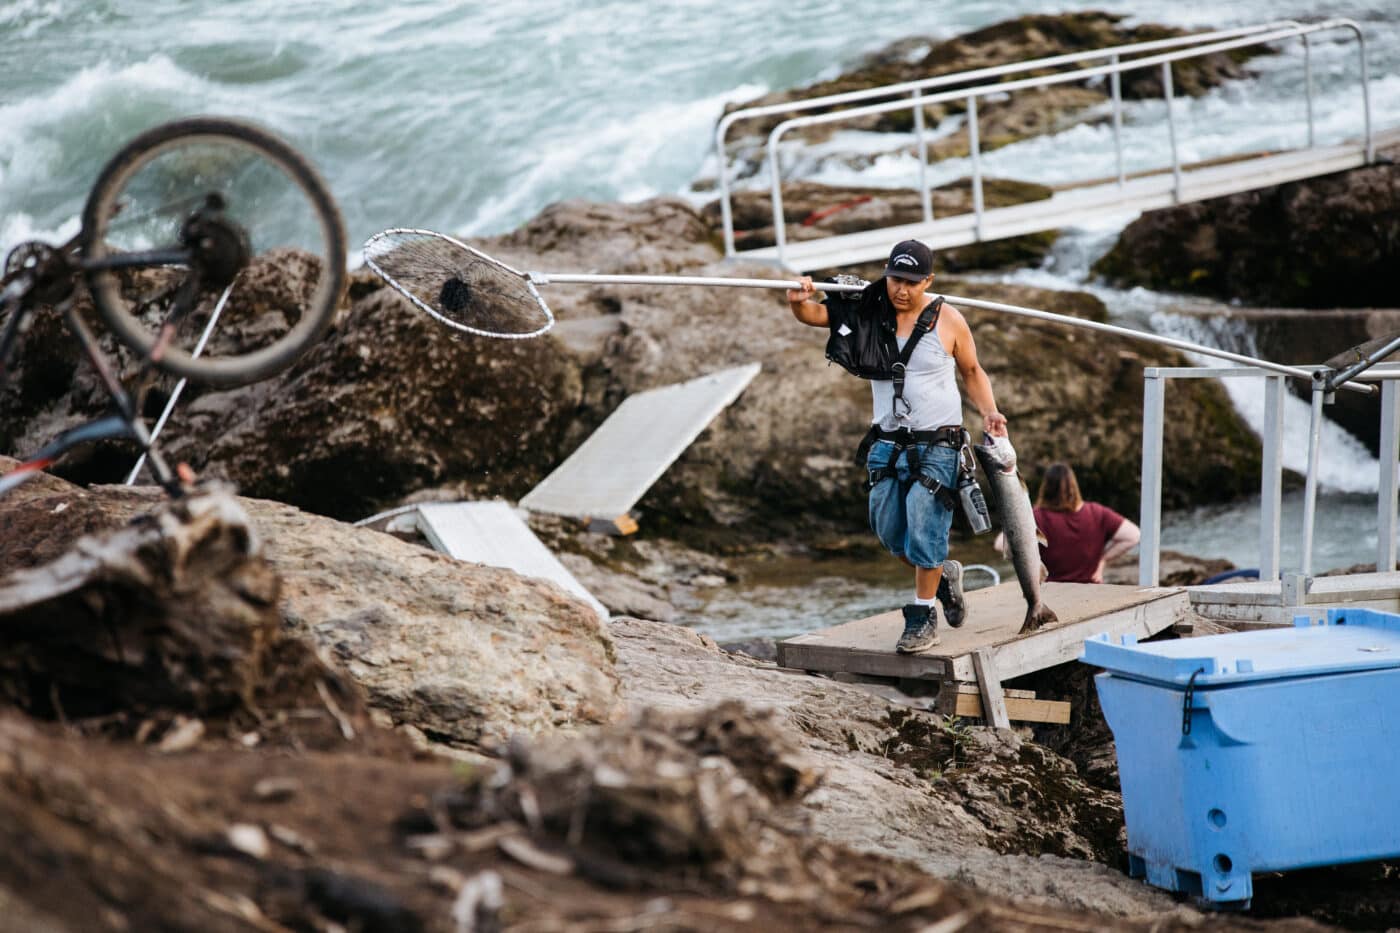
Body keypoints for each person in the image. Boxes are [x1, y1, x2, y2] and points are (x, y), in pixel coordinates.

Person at [786, 239, 1007, 653]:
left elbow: (972, 371)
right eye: (894, 279)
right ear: (885, 274)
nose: (901, 290)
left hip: (939, 442)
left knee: (925, 525)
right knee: (890, 534)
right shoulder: (867, 310)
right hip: (887, 442)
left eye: (911, 282)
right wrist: (800, 300)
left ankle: (922, 617)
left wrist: (990, 412)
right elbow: (815, 315)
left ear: (929, 281)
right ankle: (940, 574)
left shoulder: (949, 320)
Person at [1030, 462, 1141, 583]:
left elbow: (1009, 547)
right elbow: (1134, 536)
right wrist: (1102, 559)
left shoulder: (1036, 516)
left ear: (1046, 488)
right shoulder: (1096, 512)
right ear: (1074, 486)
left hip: (1051, 593)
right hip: (1090, 593)